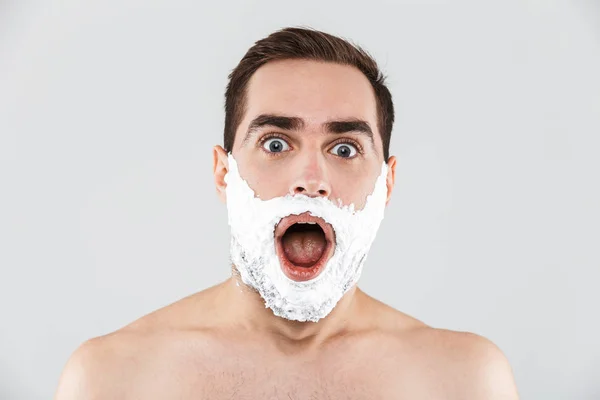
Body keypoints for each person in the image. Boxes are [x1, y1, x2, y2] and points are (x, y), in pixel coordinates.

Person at [55, 27, 520, 399]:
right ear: (223, 174)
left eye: (344, 147)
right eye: (276, 144)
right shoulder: (110, 379)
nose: (311, 178)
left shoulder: (464, 382)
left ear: (387, 184)